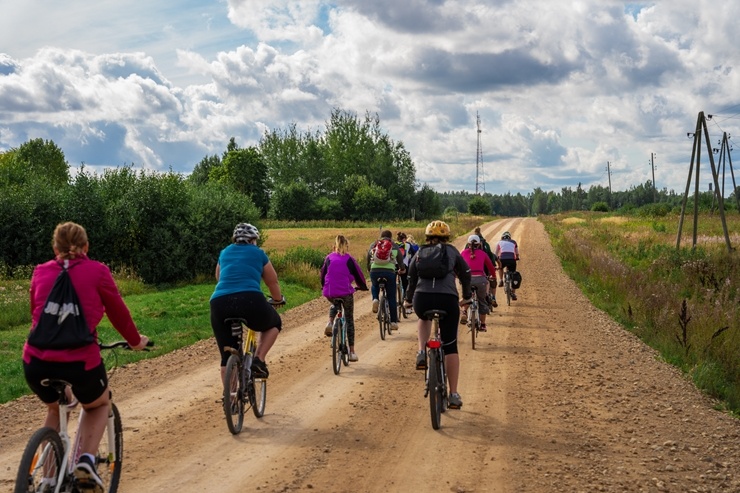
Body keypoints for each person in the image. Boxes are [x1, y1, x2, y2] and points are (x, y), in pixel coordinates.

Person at [23, 222, 150, 492]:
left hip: (35, 361)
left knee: (55, 407)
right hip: (80, 360)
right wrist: (136, 342)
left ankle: (47, 479)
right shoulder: (97, 271)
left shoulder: (40, 272)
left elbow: (37, 313)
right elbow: (118, 313)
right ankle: (86, 461)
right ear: (86, 246)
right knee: (97, 405)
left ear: (54, 247)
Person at [403, 220, 472, 409]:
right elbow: (465, 273)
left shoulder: (420, 252)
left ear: (427, 236)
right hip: (447, 300)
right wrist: (466, 297)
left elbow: (411, 277)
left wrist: (408, 300)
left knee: (423, 317)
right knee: (450, 346)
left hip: (422, 299)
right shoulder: (451, 251)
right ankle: (454, 394)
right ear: (447, 237)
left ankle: (420, 352)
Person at [210, 223, 284, 384]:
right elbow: (272, 282)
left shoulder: (225, 252)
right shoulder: (258, 253)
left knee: (226, 355)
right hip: (250, 299)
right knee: (274, 323)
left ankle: (230, 398)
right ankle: (258, 359)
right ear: (252, 240)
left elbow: (218, 277)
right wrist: (278, 299)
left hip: (219, 302)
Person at [320, 235, 369, 361]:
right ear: (346, 246)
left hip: (330, 291)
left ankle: (330, 322)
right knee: (349, 319)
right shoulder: (349, 259)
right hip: (345, 293)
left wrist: (323, 287)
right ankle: (352, 352)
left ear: (334, 246)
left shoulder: (328, 258)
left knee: (335, 303)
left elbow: (323, 274)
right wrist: (362, 286)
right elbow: (359, 274)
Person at [366, 230, 405, 331]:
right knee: (391, 297)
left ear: (381, 236)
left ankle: (375, 299)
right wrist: (402, 269)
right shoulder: (394, 245)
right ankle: (393, 322)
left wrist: (369, 268)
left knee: (374, 285)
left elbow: (368, 257)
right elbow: (400, 259)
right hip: (389, 272)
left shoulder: (374, 244)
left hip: (375, 270)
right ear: (391, 237)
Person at [460, 234, 497, 331]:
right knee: (482, 301)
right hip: (481, 280)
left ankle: (464, 311)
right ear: (479, 244)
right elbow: (491, 267)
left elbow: (457, 266)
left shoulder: (463, 253)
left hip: (467, 280)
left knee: (467, 297)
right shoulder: (483, 253)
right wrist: (494, 276)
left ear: (468, 244)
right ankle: (483, 324)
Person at [474, 226, 500, 308]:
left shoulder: (469, 244)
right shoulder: (486, 244)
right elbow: (490, 255)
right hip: (485, 266)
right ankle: (492, 297)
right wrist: (493, 265)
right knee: (489, 280)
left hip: (472, 268)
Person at [495, 230, 520, 300]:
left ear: (502, 237)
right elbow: (517, 253)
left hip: (502, 259)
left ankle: (501, 280)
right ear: (510, 238)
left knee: (500, 267)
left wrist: (496, 259)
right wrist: (517, 257)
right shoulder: (514, 242)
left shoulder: (499, 242)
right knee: (513, 275)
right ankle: (513, 293)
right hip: (512, 260)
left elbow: (495, 254)